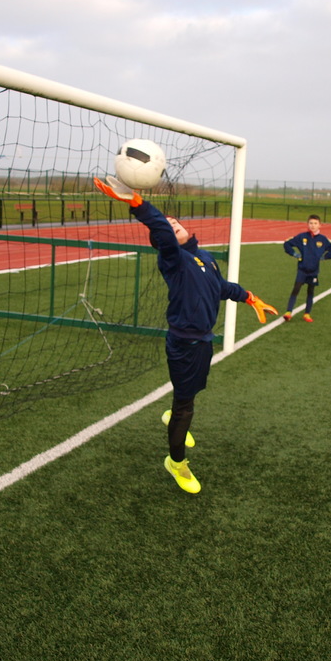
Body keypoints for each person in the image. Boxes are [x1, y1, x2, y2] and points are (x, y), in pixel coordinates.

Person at [94, 176, 277, 494]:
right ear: (162, 241)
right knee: (185, 408)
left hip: (204, 341)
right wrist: (138, 204)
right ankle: (176, 462)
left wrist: (249, 297)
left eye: (175, 220)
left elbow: (221, 287)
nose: (172, 223)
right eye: (167, 225)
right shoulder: (173, 259)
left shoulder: (204, 258)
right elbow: (162, 232)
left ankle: (174, 410)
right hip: (183, 344)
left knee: (191, 392)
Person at [282, 214, 331, 322]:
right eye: (311, 223)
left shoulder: (323, 239)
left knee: (310, 291)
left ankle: (307, 314)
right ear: (307, 224)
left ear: (320, 225)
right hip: (302, 269)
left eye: (315, 223)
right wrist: (294, 253)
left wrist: (325, 257)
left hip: (313, 271)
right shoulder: (302, 237)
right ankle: (288, 312)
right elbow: (287, 243)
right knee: (296, 289)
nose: (313, 225)